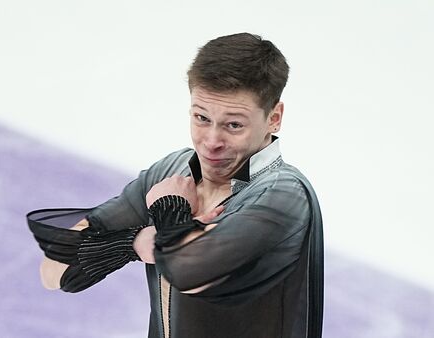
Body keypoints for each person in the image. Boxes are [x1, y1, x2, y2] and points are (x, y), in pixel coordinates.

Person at [28, 32, 324, 338]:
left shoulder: (283, 195)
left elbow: (189, 273)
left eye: (233, 125)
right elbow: (54, 270)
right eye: (201, 117)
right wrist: (134, 243)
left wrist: (170, 212)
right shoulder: (172, 171)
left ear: (274, 118)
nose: (211, 142)